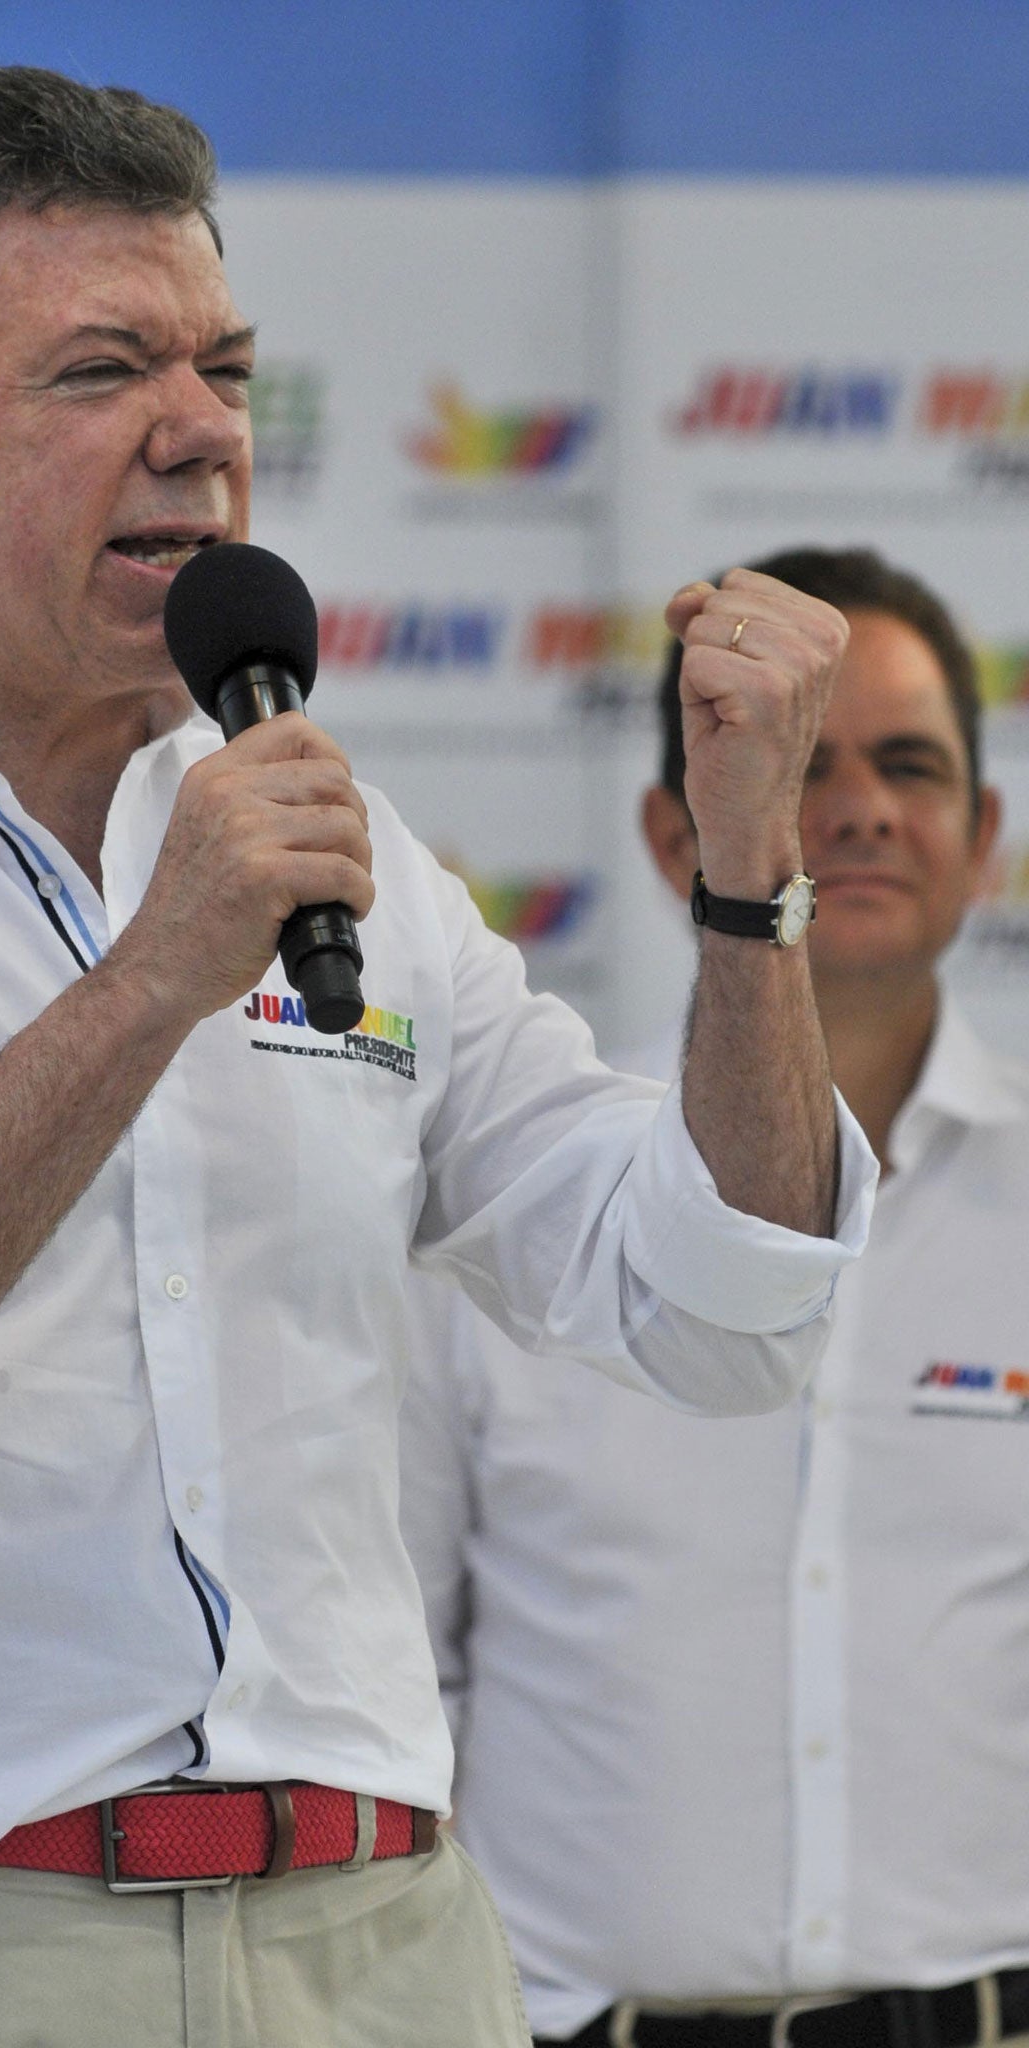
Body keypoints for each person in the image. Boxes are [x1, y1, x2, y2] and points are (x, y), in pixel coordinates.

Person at [0, 70, 872, 2048]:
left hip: (376, 1950)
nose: (207, 430)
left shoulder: (342, 850)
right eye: (103, 368)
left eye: (225, 364)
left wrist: (751, 894)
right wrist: (153, 979)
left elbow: (719, 1303)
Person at [400, 546, 1027, 2048]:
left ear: (987, 835)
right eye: (809, 763)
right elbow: (399, 1673)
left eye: (914, 765)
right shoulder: (522, 1193)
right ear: (678, 834)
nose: (866, 808)